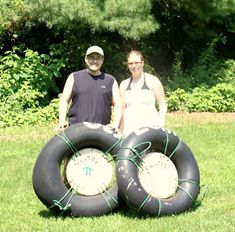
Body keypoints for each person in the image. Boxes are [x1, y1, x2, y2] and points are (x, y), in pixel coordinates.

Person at [57, 45, 122, 132]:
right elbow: (64, 100)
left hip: (102, 131)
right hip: (76, 130)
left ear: (102, 61)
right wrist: (61, 121)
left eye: (98, 58)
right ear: (86, 59)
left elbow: (118, 103)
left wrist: (116, 123)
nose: (95, 61)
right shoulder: (74, 77)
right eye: (91, 57)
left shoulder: (110, 80)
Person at [119, 50, 167, 136]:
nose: (134, 66)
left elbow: (162, 104)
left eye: (136, 62)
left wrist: (161, 121)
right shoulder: (124, 85)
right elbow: (122, 109)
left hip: (151, 130)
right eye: (130, 63)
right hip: (129, 131)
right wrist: (120, 130)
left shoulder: (153, 81)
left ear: (142, 63)